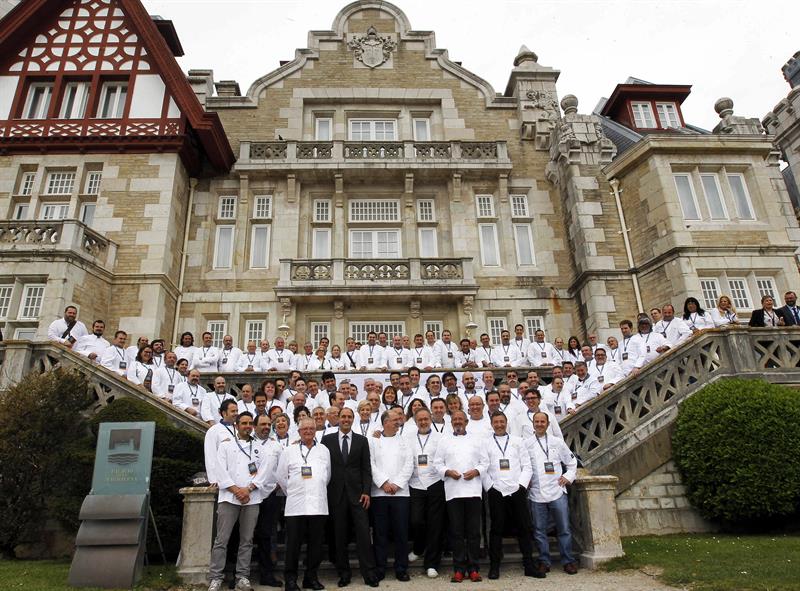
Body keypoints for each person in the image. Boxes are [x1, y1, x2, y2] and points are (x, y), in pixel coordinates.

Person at [207, 411, 277, 591]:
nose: (247, 426)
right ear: (236, 425)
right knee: (221, 540)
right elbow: (220, 469)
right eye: (243, 423)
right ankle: (215, 577)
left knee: (247, 540)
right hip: (229, 498)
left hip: (251, 499)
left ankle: (242, 577)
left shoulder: (259, 448)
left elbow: (265, 471)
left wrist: (249, 489)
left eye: (249, 423)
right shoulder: (226, 446)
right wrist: (236, 489)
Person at [321, 407, 379, 588]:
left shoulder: (362, 441)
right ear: (338, 418)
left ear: (353, 419)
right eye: (343, 416)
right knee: (340, 536)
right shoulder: (327, 440)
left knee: (363, 535)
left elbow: (366, 469)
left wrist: (366, 491)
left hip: (358, 496)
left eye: (349, 417)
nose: (346, 419)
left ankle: (369, 573)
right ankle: (343, 573)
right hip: (336, 495)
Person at [276, 418, 332, 591]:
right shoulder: (289, 451)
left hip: (318, 505)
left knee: (316, 546)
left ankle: (311, 578)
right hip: (296, 506)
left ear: (315, 431)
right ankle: (291, 580)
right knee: (293, 545)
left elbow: (327, 476)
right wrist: (293, 491)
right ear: (299, 432)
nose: (308, 431)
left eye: (311, 428)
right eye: (304, 429)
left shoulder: (324, 450)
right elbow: (280, 477)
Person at [433, 410, 488, 583]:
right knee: (456, 532)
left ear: (466, 421)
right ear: (451, 423)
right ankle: (458, 569)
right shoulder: (444, 440)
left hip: (472, 490)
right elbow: (437, 463)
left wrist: (476, 471)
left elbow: (485, 462)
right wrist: (447, 472)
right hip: (453, 491)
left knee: (473, 532)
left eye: (460, 419)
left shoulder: (476, 440)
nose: (457, 422)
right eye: (455, 419)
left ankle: (473, 568)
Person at [483, 411, 537, 579]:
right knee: (496, 529)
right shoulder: (485, 443)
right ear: (491, 424)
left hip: (516, 490)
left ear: (506, 423)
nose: (499, 425)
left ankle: (529, 565)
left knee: (524, 527)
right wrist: (490, 487)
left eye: (502, 422)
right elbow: (483, 467)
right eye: (496, 422)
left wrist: (521, 486)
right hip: (496, 491)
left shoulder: (517, 441)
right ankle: (494, 566)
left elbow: (527, 466)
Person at [526, 412, 579, 577]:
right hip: (536, 493)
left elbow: (571, 462)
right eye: (537, 421)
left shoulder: (558, 442)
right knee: (539, 530)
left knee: (563, 528)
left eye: (543, 421)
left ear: (548, 424)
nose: (540, 424)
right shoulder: (526, 443)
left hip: (557, 491)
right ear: (533, 424)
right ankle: (544, 561)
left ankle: (568, 560)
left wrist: (568, 477)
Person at [370, 410, 414, 582]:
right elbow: (371, 464)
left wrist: (396, 484)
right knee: (380, 533)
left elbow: (409, 464)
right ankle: (380, 568)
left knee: (401, 533)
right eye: (395, 420)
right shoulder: (373, 441)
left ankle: (401, 568)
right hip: (379, 494)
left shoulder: (405, 441)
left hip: (400, 494)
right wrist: (383, 483)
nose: (398, 422)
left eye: (399, 420)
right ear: (385, 422)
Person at [406, 407, 446, 578]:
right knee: (416, 521)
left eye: (426, 419)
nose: (423, 422)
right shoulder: (407, 439)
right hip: (415, 484)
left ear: (430, 419)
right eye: (420, 420)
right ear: (415, 421)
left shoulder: (440, 438)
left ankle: (432, 563)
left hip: (435, 483)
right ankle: (419, 547)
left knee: (435, 524)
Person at [251, 414, 284, 588]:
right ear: (255, 426)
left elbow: (283, 469)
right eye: (262, 424)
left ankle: (266, 575)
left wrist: (277, 486)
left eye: (268, 424)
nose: (266, 427)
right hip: (250, 495)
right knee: (245, 534)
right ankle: (240, 573)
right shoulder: (247, 444)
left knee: (266, 535)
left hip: (271, 495)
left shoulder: (276, 446)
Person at [204, 399, 239, 486]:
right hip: (222, 477)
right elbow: (210, 455)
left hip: (239, 475)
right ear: (224, 413)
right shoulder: (214, 430)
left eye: (237, 411)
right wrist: (213, 479)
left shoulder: (239, 428)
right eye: (233, 411)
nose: (236, 413)